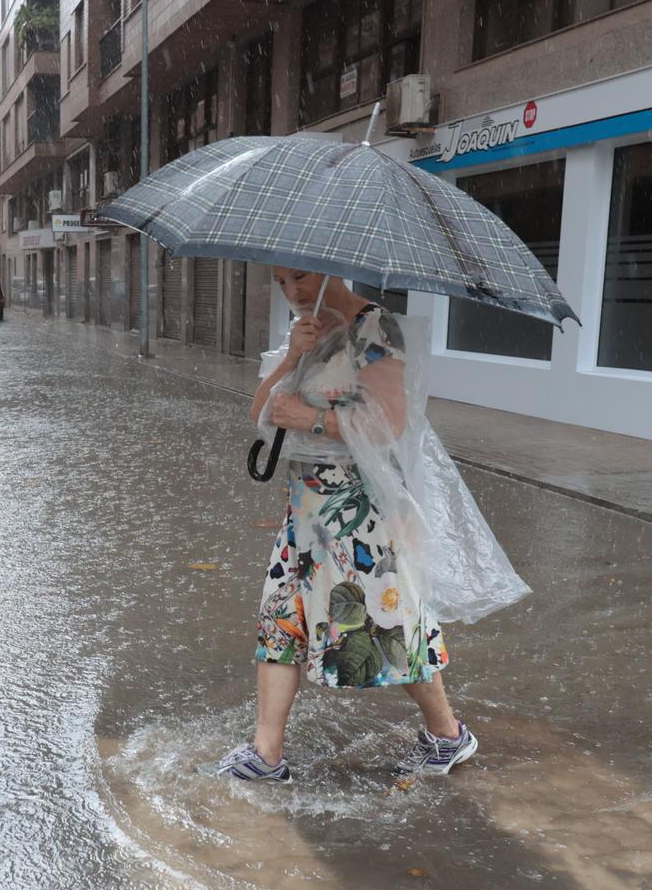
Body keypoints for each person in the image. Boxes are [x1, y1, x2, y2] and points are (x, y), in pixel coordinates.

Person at [216, 266, 529, 784]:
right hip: (304, 509)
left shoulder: (378, 331)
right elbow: (260, 413)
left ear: (329, 268)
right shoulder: (303, 335)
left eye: (300, 278)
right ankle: (266, 754)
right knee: (279, 620)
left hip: (359, 512)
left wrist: (310, 419)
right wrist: (293, 358)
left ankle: (448, 735)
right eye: (280, 284)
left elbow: (390, 425)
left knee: (389, 628)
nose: (293, 293)